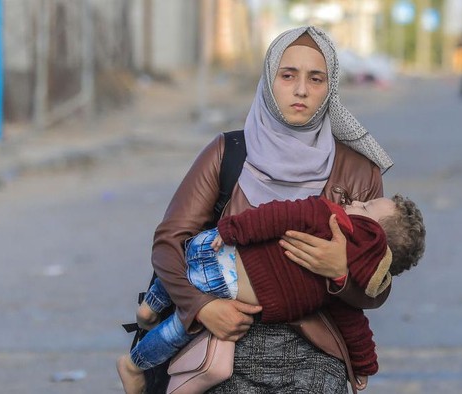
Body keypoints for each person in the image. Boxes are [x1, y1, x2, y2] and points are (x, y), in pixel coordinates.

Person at [137, 26, 395, 394]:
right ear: (269, 79)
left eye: (316, 78)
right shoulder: (228, 153)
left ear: (330, 88)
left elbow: (377, 286)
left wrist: (339, 274)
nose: (301, 90)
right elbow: (169, 242)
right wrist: (202, 307)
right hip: (222, 344)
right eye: (287, 75)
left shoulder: (357, 171)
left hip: (316, 355)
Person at [117, 194, 426, 393]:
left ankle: (150, 308)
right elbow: (353, 323)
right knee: (178, 329)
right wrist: (363, 366)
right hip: (221, 270)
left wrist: (231, 229)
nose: (358, 202)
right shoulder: (332, 270)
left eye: (367, 208)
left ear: (371, 238)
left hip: (212, 255)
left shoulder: (326, 220)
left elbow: (275, 215)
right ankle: (134, 365)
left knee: (188, 268)